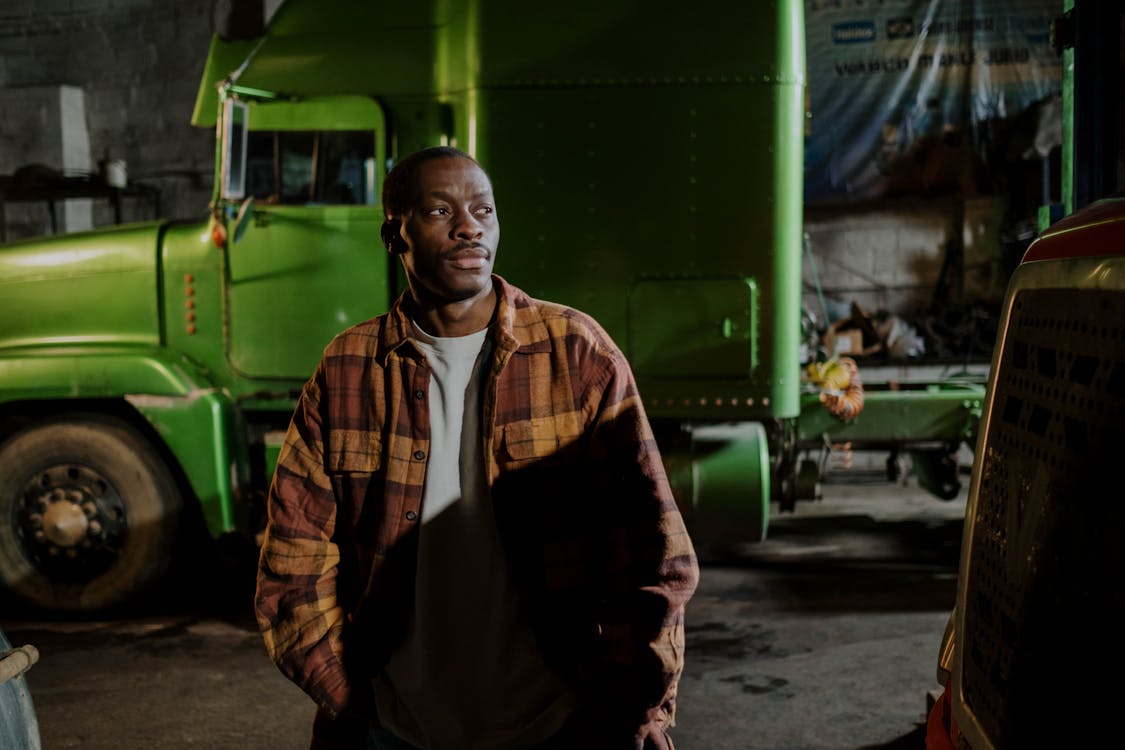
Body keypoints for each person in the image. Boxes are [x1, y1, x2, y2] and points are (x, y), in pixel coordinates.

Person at [254, 145, 699, 750]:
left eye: (483, 209)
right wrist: (350, 698)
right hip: (394, 730)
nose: (469, 226)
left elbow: (655, 552)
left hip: (560, 724)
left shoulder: (576, 353)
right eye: (440, 210)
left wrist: (638, 704)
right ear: (396, 236)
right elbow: (293, 565)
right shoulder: (348, 370)